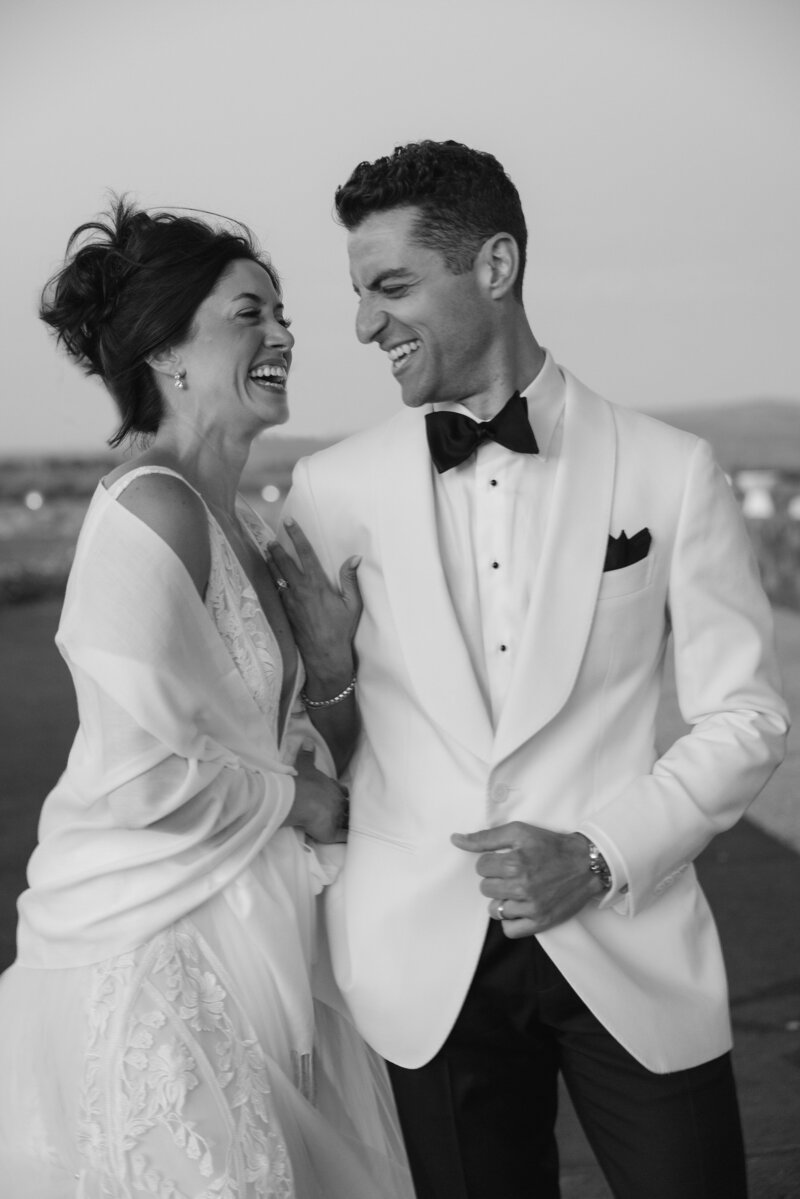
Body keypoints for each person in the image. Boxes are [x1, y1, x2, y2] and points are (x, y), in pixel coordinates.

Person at [271, 140, 790, 1199]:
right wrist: (324, 683)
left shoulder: (667, 469)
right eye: (359, 294)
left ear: (495, 266)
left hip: (629, 935)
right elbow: (309, 748)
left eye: (392, 286)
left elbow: (744, 716)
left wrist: (597, 853)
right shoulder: (327, 492)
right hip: (421, 965)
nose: (366, 324)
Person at [0, 198, 414, 1199]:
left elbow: (296, 747)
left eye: (280, 315)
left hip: (256, 934)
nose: (281, 335)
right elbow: (146, 774)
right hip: (157, 951)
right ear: (169, 355)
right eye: (247, 314)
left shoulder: (240, 520)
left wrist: (328, 670)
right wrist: (298, 803)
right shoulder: (150, 510)